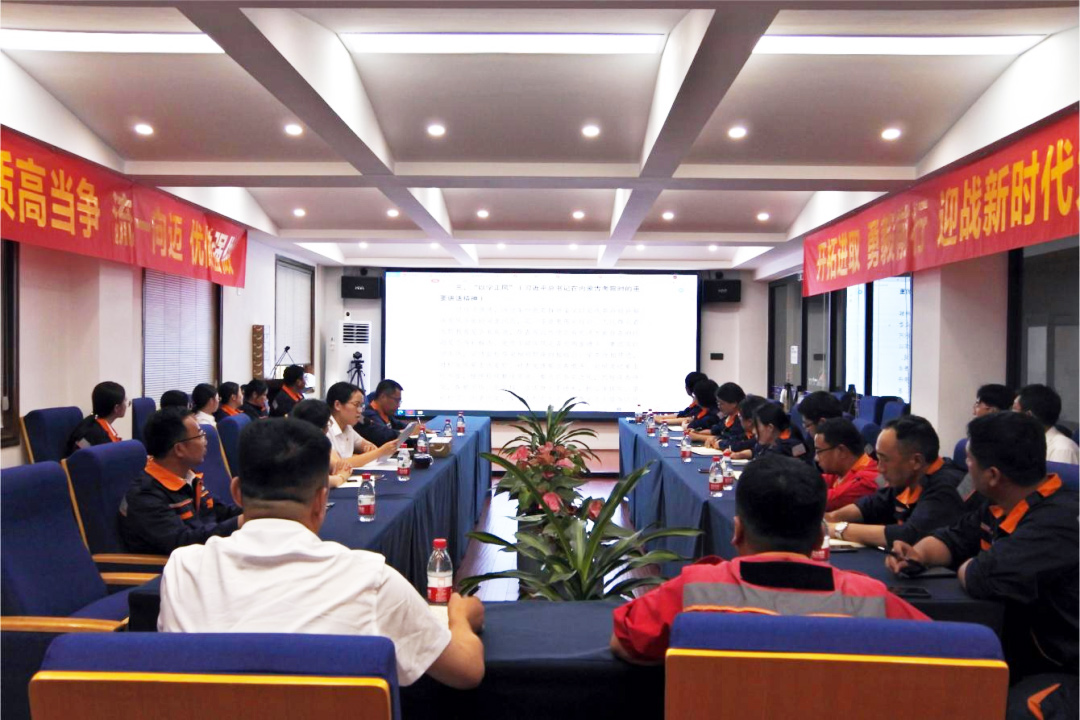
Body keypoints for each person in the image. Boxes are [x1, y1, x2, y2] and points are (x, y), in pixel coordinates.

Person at [157, 418, 486, 689]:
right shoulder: (370, 581)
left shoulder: (183, 570)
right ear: (321, 500)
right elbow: (466, 671)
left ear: (237, 493)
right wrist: (459, 617)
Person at [609, 454, 928, 664]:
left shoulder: (695, 590)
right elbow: (940, 653)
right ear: (820, 538)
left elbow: (625, 642)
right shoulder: (871, 599)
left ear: (737, 531)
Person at [887, 412, 1078, 718]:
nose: (965, 467)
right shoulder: (1000, 504)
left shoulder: (1058, 521)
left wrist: (970, 564)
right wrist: (918, 554)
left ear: (992, 475)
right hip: (1021, 649)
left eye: (970, 460)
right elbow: (953, 538)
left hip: (1065, 665)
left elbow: (980, 576)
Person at [825, 415, 964, 550]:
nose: (879, 468)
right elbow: (872, 505)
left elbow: (909, 535)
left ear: (916, 461)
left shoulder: (947, 489)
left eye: (885, 459)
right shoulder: (908, 477)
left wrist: (837, 529)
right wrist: (831, 517)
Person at [119, 407, 244, 555]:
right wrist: (239, 522)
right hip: (174, 565)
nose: (205, 441)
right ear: (179, 449)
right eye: (200, 435)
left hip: (209, 554)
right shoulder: (145, 495)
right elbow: (182, 542)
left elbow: (219, 512)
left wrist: (257, 510)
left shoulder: (188, 477)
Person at [814, 417, 881, 511]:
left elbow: (823, 500)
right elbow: (813, 481)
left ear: (841, 451)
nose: (816, 458)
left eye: (819, 452)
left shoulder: (865, 482)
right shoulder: (841, 470)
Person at [326, 382, 398, 468]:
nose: (360, 411)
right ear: (337, 405)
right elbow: (338, 464)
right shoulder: (325, 429)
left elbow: (369, 446)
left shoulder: (348, 428)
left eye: (361, 406)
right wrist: (380, 452)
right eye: (356, 405)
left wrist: (369, 449)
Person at [291, 398, 352, 488]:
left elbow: (337, 463)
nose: (328, 429)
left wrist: (339, 465)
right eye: (328, 423)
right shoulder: (297, 448)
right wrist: (341, 477)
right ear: (319, 429)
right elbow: (316, 481)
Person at [1013, 384, 1079, 464]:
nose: (1009, 415)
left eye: (1014, 409)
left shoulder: (1062, 448)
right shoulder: (1025, 443)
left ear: (1028, 416)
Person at [64, 381, 127, 457]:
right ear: (116, 408)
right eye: (125, 401)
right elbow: (85, 458)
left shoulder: (95, 423)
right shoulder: (89, 434)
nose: (126, 405)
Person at [358, 379, 409, 446]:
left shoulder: (386, 413)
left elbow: (399, 425)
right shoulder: (367, 415)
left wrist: (414, 429)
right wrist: (406, 433)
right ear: (383, 397)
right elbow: (384, 435)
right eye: (396, 400)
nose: (398, 405)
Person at [796, 391, 844, 457]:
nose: (806, 430)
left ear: (822, 423)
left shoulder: (837, 453)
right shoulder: (814, 438)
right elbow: (803, 447)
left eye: (807, 425)